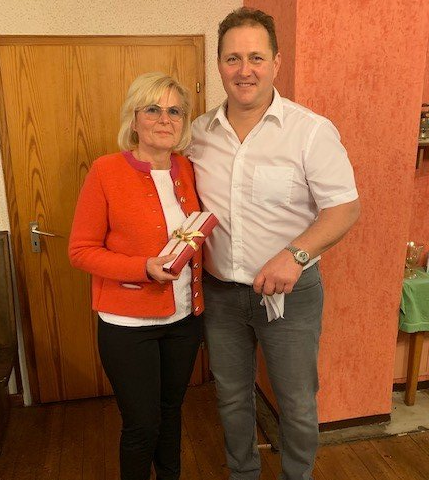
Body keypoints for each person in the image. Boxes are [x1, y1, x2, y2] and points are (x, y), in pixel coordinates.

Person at [186, 7, 360, 480]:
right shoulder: (198, 133)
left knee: (297, 402)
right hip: (221, 294)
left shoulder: (311, 131)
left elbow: (345, 208)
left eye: (256, 58)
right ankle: (243, 474)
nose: (245, 70)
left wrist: (295, 255)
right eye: (233, 58)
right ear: (219, 64)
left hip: (291, 295)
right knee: (231, 397)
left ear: (276, 63)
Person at [69, 72, 204, 480]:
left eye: (175, 111)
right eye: (153, 109)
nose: (165, 119)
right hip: (128, 326)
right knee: (142, 424)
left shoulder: (187, 168)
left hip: (184, 319)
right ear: (134, 118)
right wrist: (141, 267)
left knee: (170, 412)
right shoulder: (106, 171)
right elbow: (81, 250)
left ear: (184, 121)